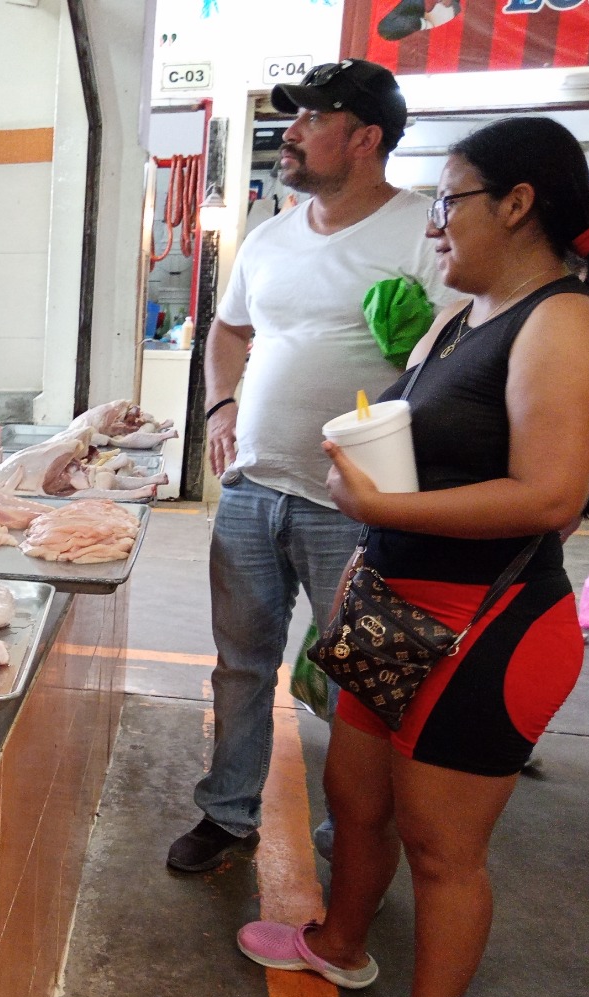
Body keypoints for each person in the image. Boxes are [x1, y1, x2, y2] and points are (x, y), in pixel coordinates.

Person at [237, 116, 589, 997]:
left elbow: (549, 496)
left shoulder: (563, 321)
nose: (434, 224)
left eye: (448, 201)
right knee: (354, 796)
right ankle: (339, 943)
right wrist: (367, 542)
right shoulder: (464, 317)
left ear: (517, 203)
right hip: (394, 601)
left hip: (488, 624)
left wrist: (382, 510)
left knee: (443, 846)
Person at [167, 60, 456, 872]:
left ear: (365, 138)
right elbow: (228, 332)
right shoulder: (272, 235)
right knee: (241, 666)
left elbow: (467, 354)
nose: (288, 134)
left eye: (312, 118)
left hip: (359, 503)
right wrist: (221, 407)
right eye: (290, 119)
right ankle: (227, 814)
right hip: (255, 490)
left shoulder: (422, 234)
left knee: (362, 684)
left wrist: (416, 354)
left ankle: (353, 833)